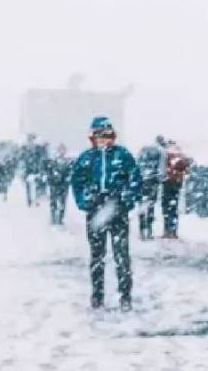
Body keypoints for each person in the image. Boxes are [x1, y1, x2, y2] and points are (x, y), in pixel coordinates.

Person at [71, 116, 142, 311]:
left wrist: (126, 200)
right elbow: (77, 182)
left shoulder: (123, 155)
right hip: (96, 213)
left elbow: (135, 179)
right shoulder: (86, 158)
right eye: (99, 135)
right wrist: (85, 201)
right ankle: (97, 295)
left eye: (107, 135)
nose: (103, 140)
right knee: (97, 256)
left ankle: (125, 295)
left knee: (122, 255)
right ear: (93, 137)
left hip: (117, 210)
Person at [160, 139, 192, 239]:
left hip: (167, 182)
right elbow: (187, 167)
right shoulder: (180, 154)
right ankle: (173, 231)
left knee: (166, 208)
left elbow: (161, 168)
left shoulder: (166, 154)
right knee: (173, 207)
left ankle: (167, 230)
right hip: (177, 182)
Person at [136, 139, 165, 240]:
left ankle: (141, 231)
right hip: (152, 180)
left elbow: (137, 164)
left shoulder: (143, 149)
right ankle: (149, 231)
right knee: (150, 206)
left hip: (141, 180)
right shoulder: (160, 151)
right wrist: (160, 178)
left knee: (141, 205)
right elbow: (162, 168)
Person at [45, 143, 72, 226]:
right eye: (60, 150)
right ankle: (53, 218)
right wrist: (51, 179)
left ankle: (60, 219)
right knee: (53, 202)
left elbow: (70, 173)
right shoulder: (53, 161)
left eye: (63, 150)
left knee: (62, 203)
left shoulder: (68, 162)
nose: (61, 152)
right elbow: (48, 172)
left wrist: (67, 179)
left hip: (63, 185)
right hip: (54, 185)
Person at [20, 133, 43, 207]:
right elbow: (21, 158)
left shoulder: (38, 148)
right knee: (28, 185)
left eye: (32, 139)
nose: (31, 141)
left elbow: (41, 158)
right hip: (28, 169)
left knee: (37, 185)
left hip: (36, 169)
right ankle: (29, 199)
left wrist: (40, 167)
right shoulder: (24, 148)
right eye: (29, 139)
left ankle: (37, 199)